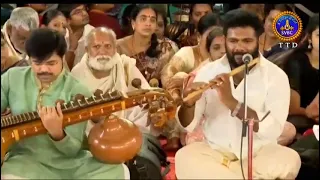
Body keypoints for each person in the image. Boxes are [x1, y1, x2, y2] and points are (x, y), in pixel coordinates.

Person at [175, 9, 301, 179]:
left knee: (289, 159)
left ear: (258, 40)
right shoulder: (208, 71)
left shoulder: (276, 77)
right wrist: (188, 104)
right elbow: (188, 124)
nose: (240, 48)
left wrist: (231, 102)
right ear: (225, 40)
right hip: (215, 153)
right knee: (185, 157)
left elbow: (270, 130)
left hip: (258, 155)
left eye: (247, 41)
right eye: (233, 41)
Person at [1, 28, 130, 179]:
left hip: (69, 164)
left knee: (119, 171)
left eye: (51, 63)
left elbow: (72, 150)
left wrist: (58, 134)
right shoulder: (13, 78)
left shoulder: (77, 91)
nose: (44, 70)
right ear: (29, 59)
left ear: (62, 58)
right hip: (26, 160)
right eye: (37, 63)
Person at [161, 13, 222, 102]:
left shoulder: (226, 56)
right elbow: (167, 75)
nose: (214, 41)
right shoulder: (187, 53)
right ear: (199, 37)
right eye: (210, 37)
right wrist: (185, 84)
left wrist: (188, 82)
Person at [117, 5, 176, 87]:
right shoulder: (118, 47)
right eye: (143, 19)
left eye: (152, 20)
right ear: (133, 23)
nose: (148, 24)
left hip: (156, 96)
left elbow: (169, 80)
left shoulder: (165, 49)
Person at [283, 14, 319, 135]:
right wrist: (309, 112)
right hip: (300, 121)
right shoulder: (297, 61)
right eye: (319, 36)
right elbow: (293, 108)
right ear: (310, 38)